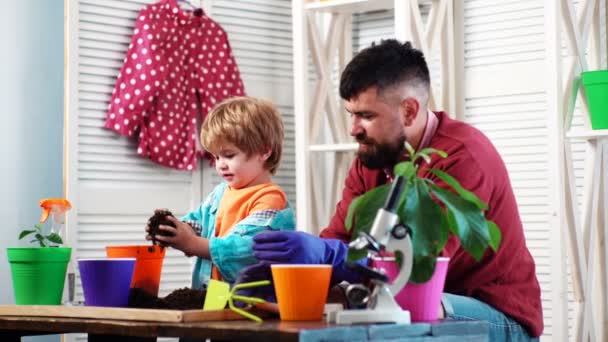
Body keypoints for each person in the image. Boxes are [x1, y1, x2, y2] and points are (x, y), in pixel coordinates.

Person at [239, 40, 543, 341]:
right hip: (409, 302)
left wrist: (329, 256)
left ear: (409, 111)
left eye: (367, 116)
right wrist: (292, 276)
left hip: (497, 315)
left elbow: (415, 271)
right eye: (351, 114)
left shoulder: (464, 158)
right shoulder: (372, 158)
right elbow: (340, 238)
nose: (353, 129)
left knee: (413, 305)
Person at [147, 96, 295, 288]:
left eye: (229, 155)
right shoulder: (221, 192)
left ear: (264, 152)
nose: (220, 165)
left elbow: (246, 250)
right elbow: (198, 223)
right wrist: (173, 229)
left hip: (250, 303)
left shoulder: (270, 199)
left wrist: (192, 244)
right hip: (213, 294)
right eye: (216, 157)